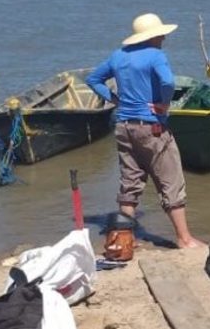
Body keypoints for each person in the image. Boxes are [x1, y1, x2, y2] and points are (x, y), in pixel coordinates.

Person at [86, 13, 204, 249]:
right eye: (161, 34)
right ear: (154, 36)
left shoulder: (118, 56)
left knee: (130, 182)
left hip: (123, 126)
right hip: (151, 127)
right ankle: (184, 239)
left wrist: (116, 100)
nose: (163, 38)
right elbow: (168, 83)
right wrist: (164, 102)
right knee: (171, 181)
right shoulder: (156, 55)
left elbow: (93, 79)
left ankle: (124, 237)